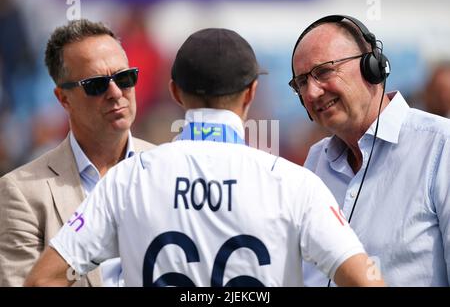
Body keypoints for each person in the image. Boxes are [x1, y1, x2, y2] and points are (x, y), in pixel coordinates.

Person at [24, 28, 384, 287]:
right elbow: (363, 280)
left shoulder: (126, 179)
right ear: (251, 93)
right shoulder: (295, 184)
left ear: (175, 93)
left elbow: (43, 280)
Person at [289, 15, 450, 286]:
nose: (312, 92)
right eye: (302, 82)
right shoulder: (315, 160)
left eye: (323, 72)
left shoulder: (440, 145)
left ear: (372, 67)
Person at [0, 19, 155, 287]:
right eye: (96, 85)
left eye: (125, 77)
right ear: (63, 99)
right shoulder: (21, 192)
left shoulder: (169, 167)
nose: (116, 92)